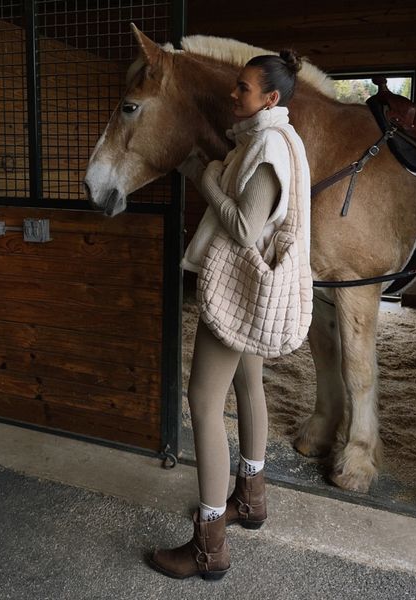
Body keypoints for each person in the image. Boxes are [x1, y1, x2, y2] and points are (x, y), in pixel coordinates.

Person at [150, 49, 310, 580]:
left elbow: (244, 227)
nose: (233, 94)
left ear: (271, 98)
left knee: (202, 400)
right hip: (254, 287)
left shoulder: (266, 145)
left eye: (243, 88)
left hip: (238, 288)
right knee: (249, 387)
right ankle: (252, 498)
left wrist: (208, 180)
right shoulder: (279, 138)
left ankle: (209, 547)